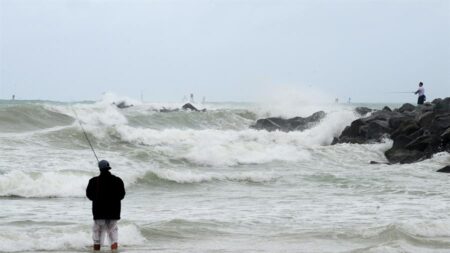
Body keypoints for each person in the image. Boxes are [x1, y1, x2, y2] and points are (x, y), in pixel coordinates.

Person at [86, 160, 125, 251]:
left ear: (100, 169)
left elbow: (89, 195)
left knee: (97, 233)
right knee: (113, 233)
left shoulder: (93, 181)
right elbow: (122, 195)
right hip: (114, 211)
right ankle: (114, 250)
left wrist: (97, 199)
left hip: (99, 211)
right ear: (108, 168)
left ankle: (96, 250)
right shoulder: (118, 180)